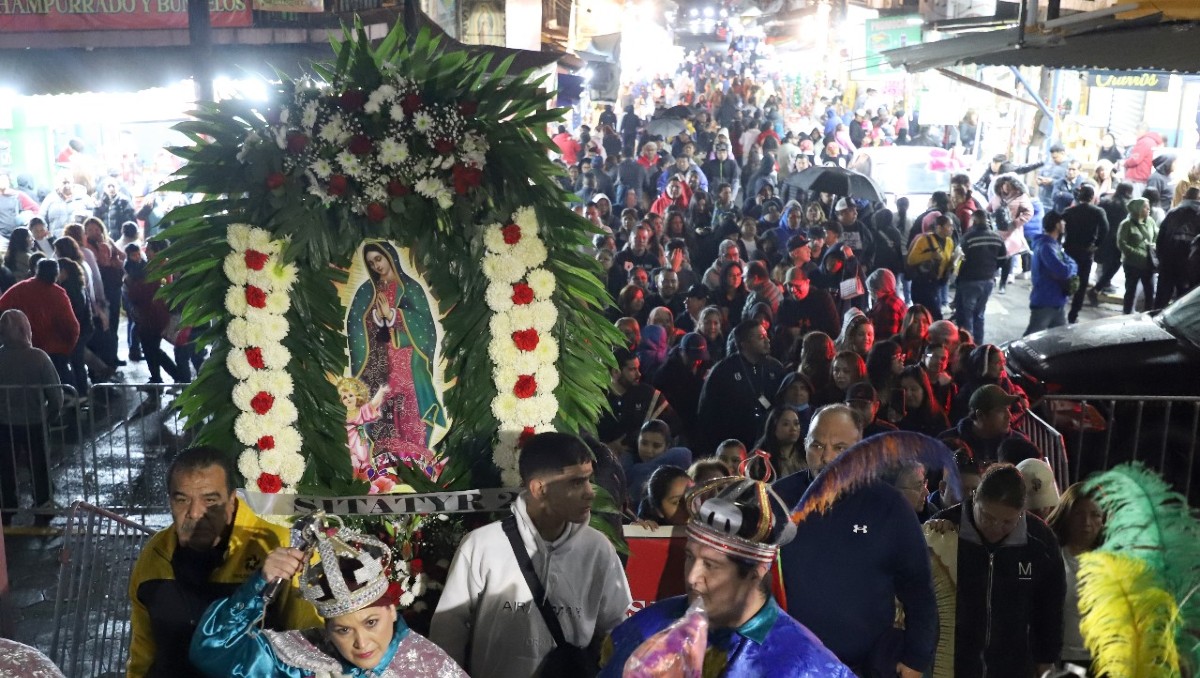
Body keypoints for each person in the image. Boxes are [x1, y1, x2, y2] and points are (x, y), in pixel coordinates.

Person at [600, 477, 854, 677]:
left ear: (755, 573)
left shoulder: (805, 664)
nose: (693, 578)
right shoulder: (646, 627)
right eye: (690, 557)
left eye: (711, 565)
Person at [430, 433, 632, 677]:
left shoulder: (598, 549)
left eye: (589, 480)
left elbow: (616, 629)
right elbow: (448, 630)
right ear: (540, 489)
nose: (590, 492)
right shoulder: (482, 545)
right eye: (576, 483)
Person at [127, 446, 320, 678]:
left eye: (210, 500)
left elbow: (311, 646)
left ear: (231, 502)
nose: (195, 513)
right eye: (182, 500)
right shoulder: (154, 554)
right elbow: (143, 652)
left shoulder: (279, 547)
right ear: (170, 502)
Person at [191, 517, 465, 678]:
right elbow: (211, 650)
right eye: (343, 630)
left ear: (392, 610)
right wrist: (259, 585)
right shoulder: (302, 659)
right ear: (327, 629)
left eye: (371, 622)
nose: (361, 642)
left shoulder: (430, 668)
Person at [777, 412, 937, 677]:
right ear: (804, 446)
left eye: (840, 448)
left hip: (865, 667)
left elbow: (919, 591)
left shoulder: (890, 507)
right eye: (817, 445)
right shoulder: (776, 500)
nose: (827, 458)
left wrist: (916, 659)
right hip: (788, 666)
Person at [925, 464, 1066, 677]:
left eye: (1008, 521)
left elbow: (1050, 610)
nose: (996, 527)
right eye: (988, 517)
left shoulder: (1040, 541)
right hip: (952, 665)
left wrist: (1046, 661)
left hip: (1013, 666)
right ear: (975, 499)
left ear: (1021, 512)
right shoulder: (945, 530)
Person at [347, 242, 447, 469]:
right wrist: (374, 321)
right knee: (385, 405)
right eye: (371, 263)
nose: (376, 266)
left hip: (408, 360)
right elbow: (355, 322)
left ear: (390, 257)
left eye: (379, 259)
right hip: (380, 360)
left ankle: (415, 463)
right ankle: (388, 463)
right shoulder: (368, 291)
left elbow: (425, 328)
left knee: (410, 404)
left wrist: (393, 315)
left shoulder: (410, 288)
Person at [0, 310, 62, 525]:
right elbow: (56, 396)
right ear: (25, 329)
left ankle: (6, 507)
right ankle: (43, 506)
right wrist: (50, 416)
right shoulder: (39, 358)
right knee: (39, 465)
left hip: (4, 423)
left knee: (6, 466)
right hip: (34, 421)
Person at [697, 320, 785, 452]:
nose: (767, 340)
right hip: (733, 446)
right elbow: (707, 415)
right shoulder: (723, 372)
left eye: (766, 335)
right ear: (744, 344)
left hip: (769, 442)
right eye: (761, 337)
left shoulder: (775, 367)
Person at [1045, 483, 1105, 671]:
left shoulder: (1113, 561)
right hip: (1064, 660)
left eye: (1095, 515)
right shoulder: (1051, 557)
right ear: (1067, 515)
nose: (1087, 522)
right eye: (1079, 514)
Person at [0, 259, 80, 384]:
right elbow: (72, 326)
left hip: (24, 348)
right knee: (59, 387)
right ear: (56, 273)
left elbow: (2, 308)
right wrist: (67, 348)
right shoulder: (58, 293)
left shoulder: (20, 288)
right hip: (55, 350)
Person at [1024, 210, 1079, 335]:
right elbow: (1063, 271)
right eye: (1062, 221)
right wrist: (1070, 267)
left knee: (1059, 339)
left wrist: (1070, 266)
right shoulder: (1047, 247)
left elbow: (1071, 264)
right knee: (1031, 339)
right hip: (1046, 300)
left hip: (1056, 300)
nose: (1064, 224)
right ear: (1057, 224)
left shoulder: (1053, 245)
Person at [943, 384, 1029, 465]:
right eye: (1000, 410)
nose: (1009, 415)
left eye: (1008, 408)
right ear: (980, 415)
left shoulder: (1020, 445)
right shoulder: (949, 443)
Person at [954, 210, 1006, 343]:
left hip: (969, 281)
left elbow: (959, 260)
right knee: (979, 314)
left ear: (975, 221)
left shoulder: (968, 237)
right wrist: (991, 270)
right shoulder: (997, 237)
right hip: (988, 281)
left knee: (967, 315)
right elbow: (1003, 259)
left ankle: (967, 346)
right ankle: (979, 344)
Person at [1062, 184, 1109, 324]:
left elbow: (1059, 226)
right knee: (1082, 284)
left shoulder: (1068, 211)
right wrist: (1097, 245)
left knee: (1067, 278)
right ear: (1092, 196)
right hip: (1086, 251)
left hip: (1070, 250)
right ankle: (1073, 314)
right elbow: (1105, 229)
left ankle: (1059, 309)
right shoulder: (1098, 212)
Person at [1155, 186, 1200, 309]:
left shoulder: (1172, 213)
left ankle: (1155, 322)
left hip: (1168, 262)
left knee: (1162, 297)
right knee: (1183, 301)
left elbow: (1160, 239)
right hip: (1189, 266)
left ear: (1185, 197)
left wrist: (1161, 259)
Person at [1116, 196, 1158, 314]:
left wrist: (1153, 246)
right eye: (1145, 207)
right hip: (1132, 264)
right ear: (1137, 209)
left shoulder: (1150, 221)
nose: (1148, 209)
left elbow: (1156, 235)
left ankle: (1148, 315)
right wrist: (1138, 254)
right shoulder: (1126, 224)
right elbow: (1122, 244)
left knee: (1150, 291)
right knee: (1131, 290)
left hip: (1148, 264)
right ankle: (1127, 314)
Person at [897, 365, 950, 437]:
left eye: (913, 389)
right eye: (904, 389)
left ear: (924, 390)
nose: (908, 394)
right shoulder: (896, 415)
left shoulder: (936, 417)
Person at [866, 268, 905, 341]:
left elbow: (886, 337)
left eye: (870, 290)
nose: (870, 294)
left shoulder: (885, 307)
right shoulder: (897, 300)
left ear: (877, 289)